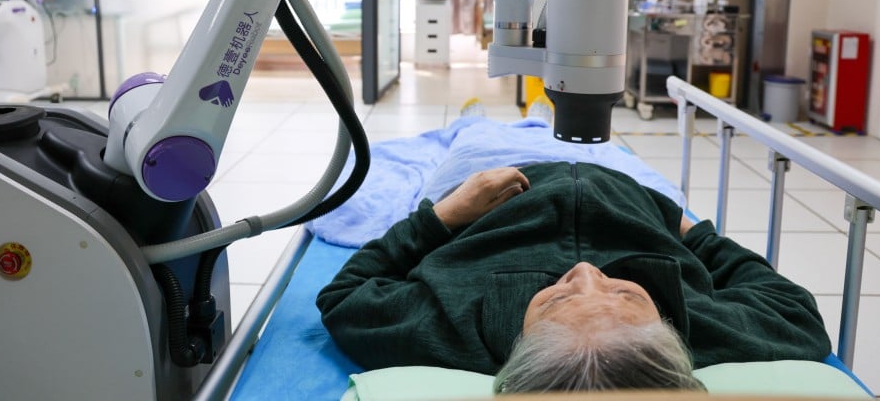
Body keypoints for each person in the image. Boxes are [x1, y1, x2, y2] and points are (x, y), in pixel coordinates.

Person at [316, 125, 832, 393]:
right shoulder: (702, 329)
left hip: (487, 181)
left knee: (474, 128)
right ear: (671, 334)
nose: (587, 275)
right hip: (627, 185)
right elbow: (796, 315)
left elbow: (345, 297)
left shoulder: (450, 330)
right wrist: (692, 233)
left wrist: (444, 215)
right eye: (625, 291)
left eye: (556, 299)